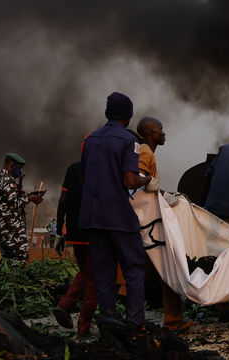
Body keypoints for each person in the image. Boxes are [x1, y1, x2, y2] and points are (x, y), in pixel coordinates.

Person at [79, 92, 153, 332]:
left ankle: (108, 326)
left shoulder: (90, 139)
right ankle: (134, 324)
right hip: (118, 216)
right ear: (128, 116)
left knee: (104, 273)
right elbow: (130, 180)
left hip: (92, 216)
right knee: (134, 267)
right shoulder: (127, 140)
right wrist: (147, 179)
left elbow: (85, 176)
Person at [135, 117, 196, 331]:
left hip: (148, 223)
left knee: (153, 273)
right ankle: (170, 320)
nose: (164, 133)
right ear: (149, 132)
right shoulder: (145, 151)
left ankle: (167, 319)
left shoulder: (146, 151)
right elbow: (137, 182)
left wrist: (162, 193)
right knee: (165, 269)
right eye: (160, 129)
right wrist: (160, 193)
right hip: (148, 223)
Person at [52, 161, 97, 339]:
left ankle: (65, 305)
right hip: (95, 230)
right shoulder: (101, 167)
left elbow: (63, 200)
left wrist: (59, 232)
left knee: (86, 272)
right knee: (94, 280)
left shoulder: (72, 168)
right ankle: (83, 328)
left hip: (75, 232)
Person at [0, 153, 43, 263]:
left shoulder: (0, 177)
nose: (19, 172)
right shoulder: (6, 179)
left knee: (8, 258)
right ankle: (15, 278)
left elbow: (8, 199)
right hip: (10, 226)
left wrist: (20, 190)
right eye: (18, 168)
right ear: (11, 164)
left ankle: (5, 277)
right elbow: (14, 203)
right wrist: (30, 198)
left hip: (6, 225)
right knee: (20, 256)